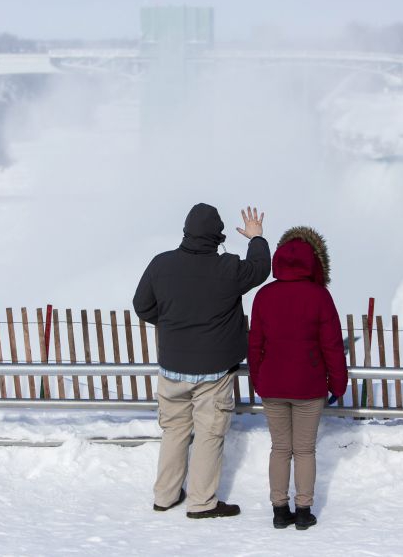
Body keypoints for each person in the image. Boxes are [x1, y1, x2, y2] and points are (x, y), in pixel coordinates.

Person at [133, 203, 270, 519]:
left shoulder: (160, 265)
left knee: (175, 431)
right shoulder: (229, 268)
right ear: (217, 237)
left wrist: (170, 323)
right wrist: (256, 237)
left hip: (171, 369)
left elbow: (142, 306)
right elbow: (262, 268)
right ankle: (202, 502)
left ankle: (165, 496)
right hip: (214, 372)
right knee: (209, 434)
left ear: (186, 232)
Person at [247, 226, 347, 531]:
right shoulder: (320, 296)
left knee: (280, 449)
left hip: (273, 386)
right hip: (309, 386)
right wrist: (338, 384)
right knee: (304, 450)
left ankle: (279, 509)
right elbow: (332, 345)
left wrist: (257, 380)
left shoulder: (263, 296)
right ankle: (303, 511)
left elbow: (255, 344)